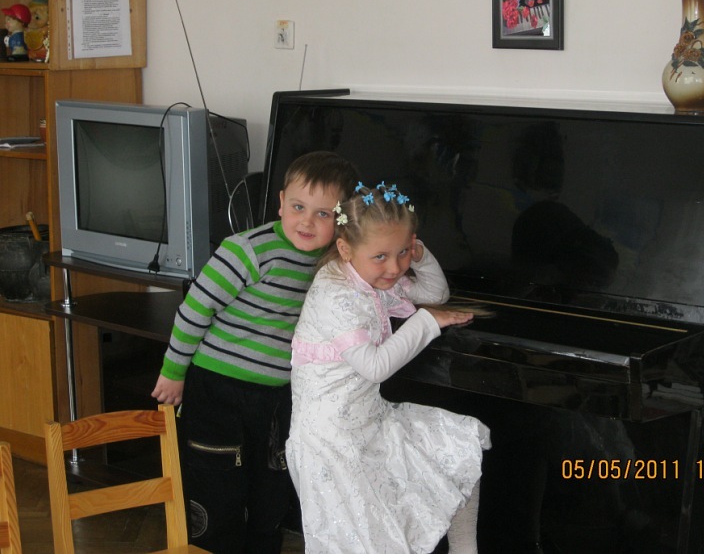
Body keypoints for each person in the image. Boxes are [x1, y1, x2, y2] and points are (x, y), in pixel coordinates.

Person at [151, 150, 359, 554]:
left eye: (323, 214)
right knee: (215, 487)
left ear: (342, 220)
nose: (307, 222)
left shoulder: (333, 261)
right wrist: (173, 372)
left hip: (276, 399)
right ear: (281, 202)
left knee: (271, 492)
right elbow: (194, 311)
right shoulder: (247, 250)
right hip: (217, 391)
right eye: (298, 207)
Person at [286, 181, 492, 554]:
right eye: (381, 256)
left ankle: (465, 548)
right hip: (331, 442)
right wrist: (428, 322)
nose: (395, 267)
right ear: (345, 249)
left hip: (368, 421)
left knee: (456, 444)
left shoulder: (368, 275)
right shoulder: (335, 293)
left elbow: (436, 294)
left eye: (402, 253)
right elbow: (375, 367)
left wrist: (421, 256)